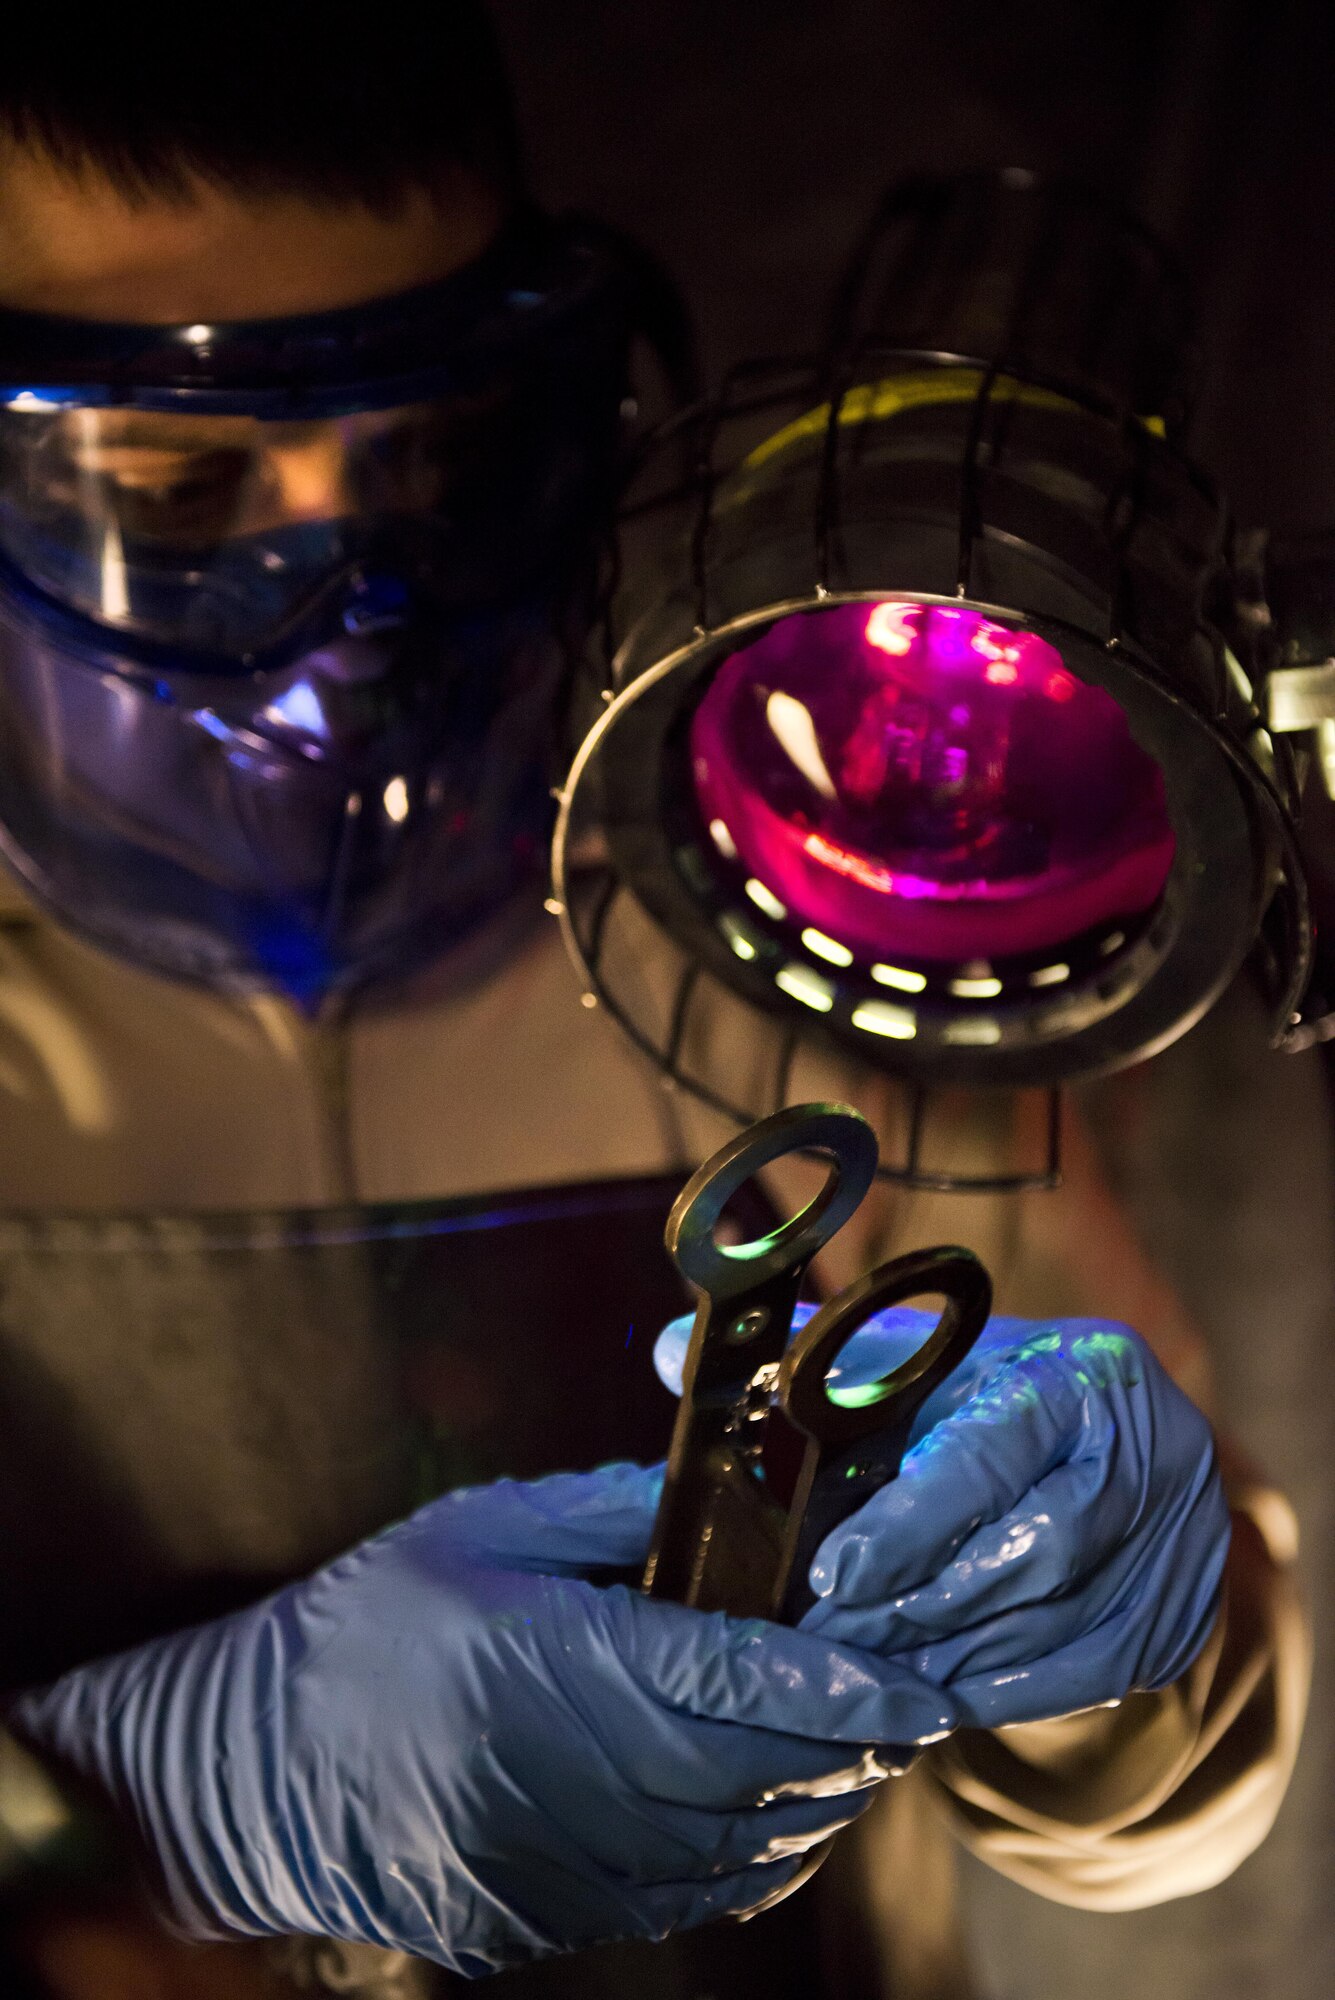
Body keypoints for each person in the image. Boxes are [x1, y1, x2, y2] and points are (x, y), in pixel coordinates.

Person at [0, 15, 1305, 2000]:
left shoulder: (794, 929)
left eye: (430, 456)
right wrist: (184, 1791)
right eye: (179, 496)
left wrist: (1113, 1659)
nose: (351, 608)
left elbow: (1150, 1813)